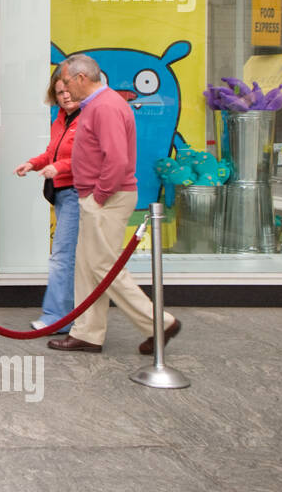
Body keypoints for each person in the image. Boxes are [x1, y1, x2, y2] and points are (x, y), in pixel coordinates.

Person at [48, 53, 182, 355]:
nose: (65, 90)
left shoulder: (105, 107)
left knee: (103, 266)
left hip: (106, 198)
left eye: (67, 82)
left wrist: (98, 196)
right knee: (86, 266)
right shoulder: (98, 105)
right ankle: (87, 333)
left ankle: (159, 323)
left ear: (82, 78)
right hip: (99, 196)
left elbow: (118, 159)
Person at [14, 70, 82, 335]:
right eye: (59, 93)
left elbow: (86, 156)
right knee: (67, 256)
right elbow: (52, 151)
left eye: (68, 91)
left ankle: (57, 317)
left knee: (61, 257)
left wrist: (60, 168)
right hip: (62, 193)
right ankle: (65, 314)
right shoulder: (62, 119)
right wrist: (33, 163)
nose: (65, 97)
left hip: (76, 191)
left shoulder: (88, 118)